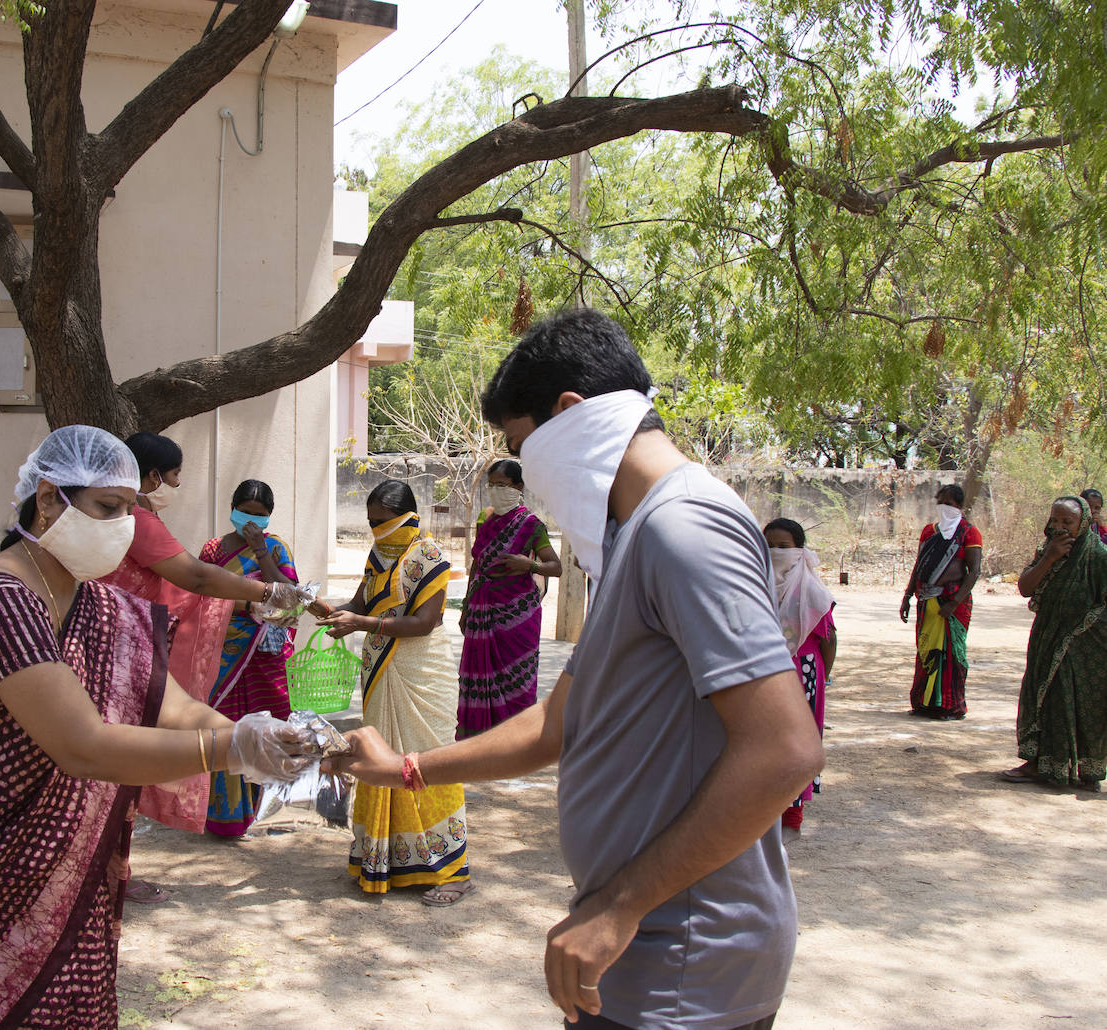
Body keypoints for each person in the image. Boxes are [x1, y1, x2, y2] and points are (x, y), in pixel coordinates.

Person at [329, 310, 822, 1028]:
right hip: (639, 943)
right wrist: (404, 768)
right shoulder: (633, 537)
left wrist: (620, 907)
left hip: (683, 958)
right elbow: (555, 724)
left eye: (523, 449)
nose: (524, 475)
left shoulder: (684, 528)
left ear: (571, 414)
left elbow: (785, 749)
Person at [0, 426, 313, 1030]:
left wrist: (261, 735)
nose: (122, 526)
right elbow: (83, 746)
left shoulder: (102, 606)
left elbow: (172, 707)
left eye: (128, 510)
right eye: (106, 508)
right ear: (47, 499)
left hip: (47, 880)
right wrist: (233, 747)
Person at [100, 433, 310, 899]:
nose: (177, 483)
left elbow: (281, 603)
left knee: (241, 728)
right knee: (191, 737)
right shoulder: (146, 524)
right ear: (152, 476)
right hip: (192, 651)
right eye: (174, 475)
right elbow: (195, 582)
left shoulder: (274, 549)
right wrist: (260, 595)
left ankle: (117, 867)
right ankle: (115, 869)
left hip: (252, 654)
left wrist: (263, 572)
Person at [317, 480, 474, 906]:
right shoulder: (377, 556)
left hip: (420, 670)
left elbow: (424, 622)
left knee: (430, 757)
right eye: (370, 522)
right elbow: (359, 606)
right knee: (380, 757)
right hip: (379, 668)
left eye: (382, 522)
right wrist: (311, 604)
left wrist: (363, 625)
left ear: (406, 517)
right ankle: (384, 860)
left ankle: (452, 870)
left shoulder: (429, 557)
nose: (375, 530)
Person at [198, 479, 304, 837]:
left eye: (260, 516)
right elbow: (199, 595)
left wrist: (261, 552)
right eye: (245, 512)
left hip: (262, 656)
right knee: (222, 729)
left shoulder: (276, 548)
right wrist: (246, 605)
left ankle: (262, 810)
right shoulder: (213, 551)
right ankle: (224, 817)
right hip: (221, 652)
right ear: (232, 508)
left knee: (265, 728)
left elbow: (289, 597)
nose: (251, 521)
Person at [1001, 495, 1107, 790]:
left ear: (1083, 523)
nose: (1060, 527)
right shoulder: (1046, 551)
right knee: (1042, 698)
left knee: (1081, 704)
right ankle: (1039, 763)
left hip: (1085, 647)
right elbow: (1025, 587)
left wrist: (1081, 631)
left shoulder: (1099, 557)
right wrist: (1050, 557)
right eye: (1055, 520)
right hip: (1047, 637)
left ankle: (1087, 770)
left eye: (1068, 522)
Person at [457, 459, 562, 739]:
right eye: (490, 486)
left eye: (501, 485)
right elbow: (477, 565)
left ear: (517, 487)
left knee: (517, 679)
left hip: (518, 615)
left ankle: (515, 741)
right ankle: (479, 739)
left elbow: (556, 566)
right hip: (482, 609)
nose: (494, 491)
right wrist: (466, 606)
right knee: (479, 672)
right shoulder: (484, 520)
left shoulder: (532, 525)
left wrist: (528, 565)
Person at [762, 518, 837, 840]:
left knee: (796, 742)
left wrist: (823, 677)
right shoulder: (754, 584)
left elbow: (828, 637)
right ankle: (762, 810)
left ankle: (792, 813)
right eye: (769, 546)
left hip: (803, 672)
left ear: (799, 551)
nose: (776, 553)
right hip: (762, 673)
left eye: (784, 547)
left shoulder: (811, 590)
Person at [900, 484, 982, 720]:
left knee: (951, 654)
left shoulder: (969, 532)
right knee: (927, 649)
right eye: (941, 502)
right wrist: (907, 596)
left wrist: (954, 603)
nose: (945, 507)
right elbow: (919, 566)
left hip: (952, 603)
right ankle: (925, 703)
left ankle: (950, 706)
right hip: (927, 599)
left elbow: (974, 571)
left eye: (950, 503)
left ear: (960, 506)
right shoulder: (929, 532)